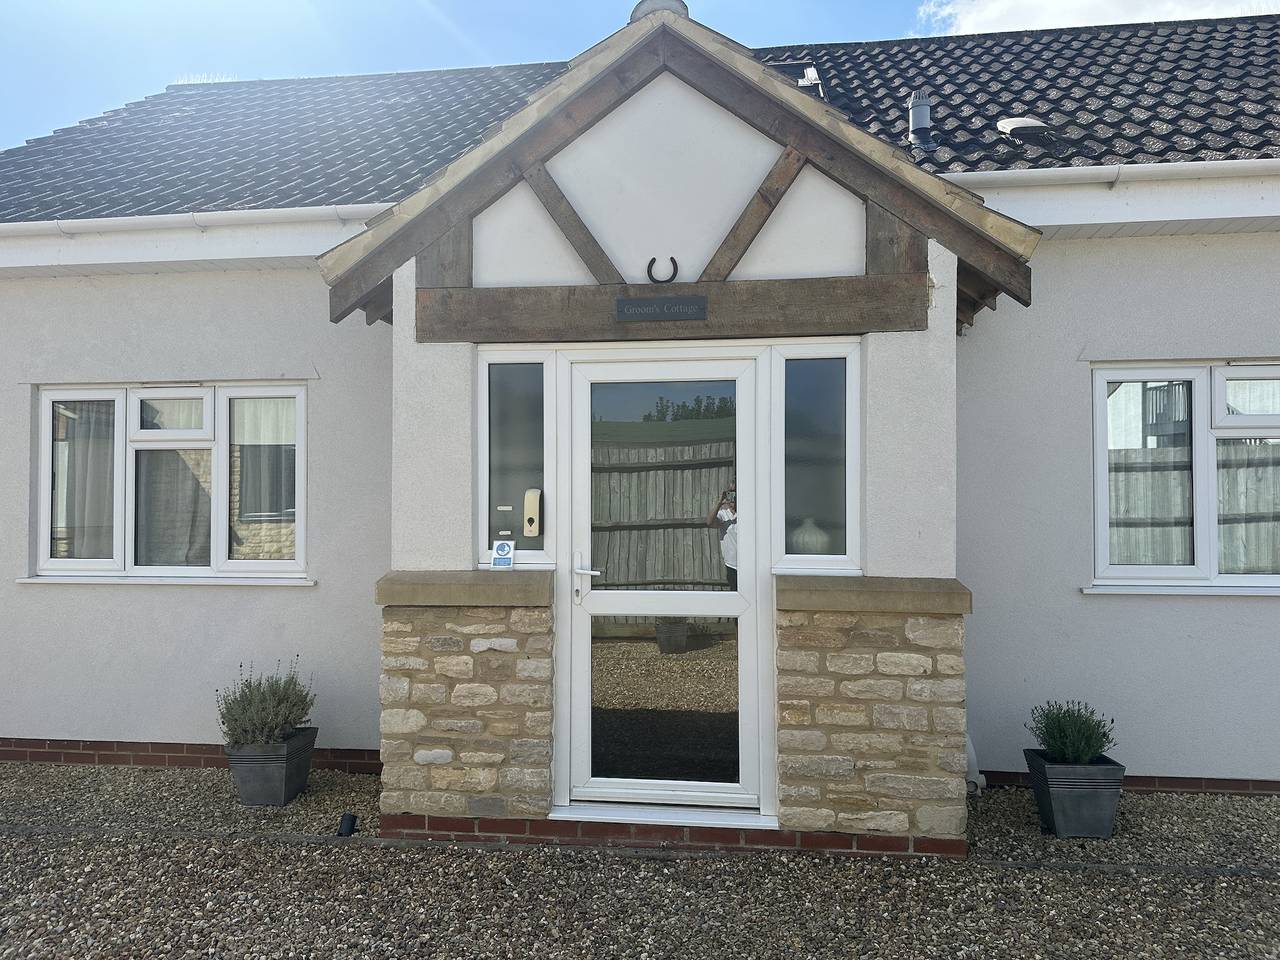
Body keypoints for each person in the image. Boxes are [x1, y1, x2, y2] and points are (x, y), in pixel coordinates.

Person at [706, 480, 738, 591]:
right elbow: (709, 522)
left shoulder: (748, 512)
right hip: (732, 565)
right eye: (730, 492)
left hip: (749, 563)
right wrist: (720, 502)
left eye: (735, 492)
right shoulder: (723, 514)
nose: (733, 496)